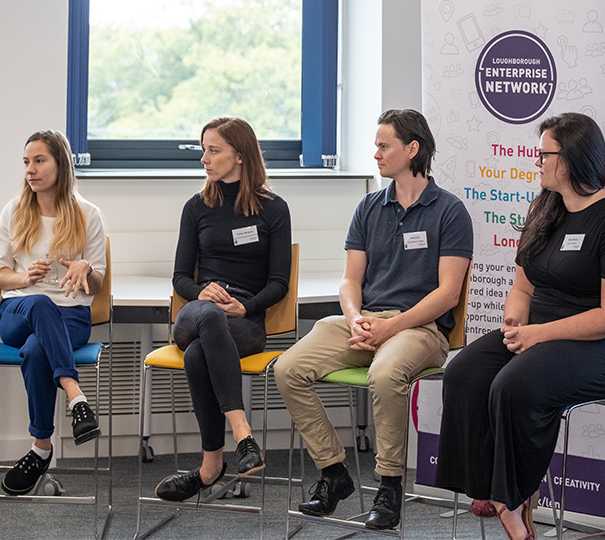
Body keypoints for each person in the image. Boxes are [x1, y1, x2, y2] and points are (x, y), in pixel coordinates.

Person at [434, 112, 605, 540]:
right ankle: (485, 484)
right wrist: (515, 319)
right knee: (463, 373)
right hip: (541, 335)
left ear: (568, 161)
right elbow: (521, 286)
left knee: (514, 385)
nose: (537, 162)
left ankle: (510, 504)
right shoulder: (546, 210)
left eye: (543, 154)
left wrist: (535, 335)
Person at [275, 109, 473, 530]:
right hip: (364, 322)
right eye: (376, 145)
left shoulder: (450, 212)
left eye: (384, 146)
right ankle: (333, 473)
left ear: (412, 149)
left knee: (384, 376)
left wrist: (390, 327)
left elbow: (448, 295)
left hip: (421, 329)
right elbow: (349, 280)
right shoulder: (368, 207)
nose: (376, 154)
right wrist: (354, 318)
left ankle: (389, 486)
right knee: (288, 367)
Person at [154, 117, 292, 502]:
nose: (204, 159)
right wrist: (203, 291)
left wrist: (243, 306)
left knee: (199, 355)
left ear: (241, 155)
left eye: (213, 150)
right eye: (204, 150)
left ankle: (209, 467)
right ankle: (243, 434)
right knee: (208, 320)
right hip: (197, 313)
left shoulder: (274, 209)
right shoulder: (196, 208)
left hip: (244, 322)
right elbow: (180, 277)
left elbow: (279, 283)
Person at [0, 130, 107, 496]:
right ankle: (77, 397)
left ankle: (40, 447)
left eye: (39, 161)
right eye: (27, 162)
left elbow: (99, 283)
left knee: (36, 350)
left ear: (61, 164)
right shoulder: (13, 211)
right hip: (19, 309)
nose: (31, 169)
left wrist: (85, 268)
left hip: (71, 315)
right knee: (41, 303)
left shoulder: (89, 214)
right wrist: (26, 276)